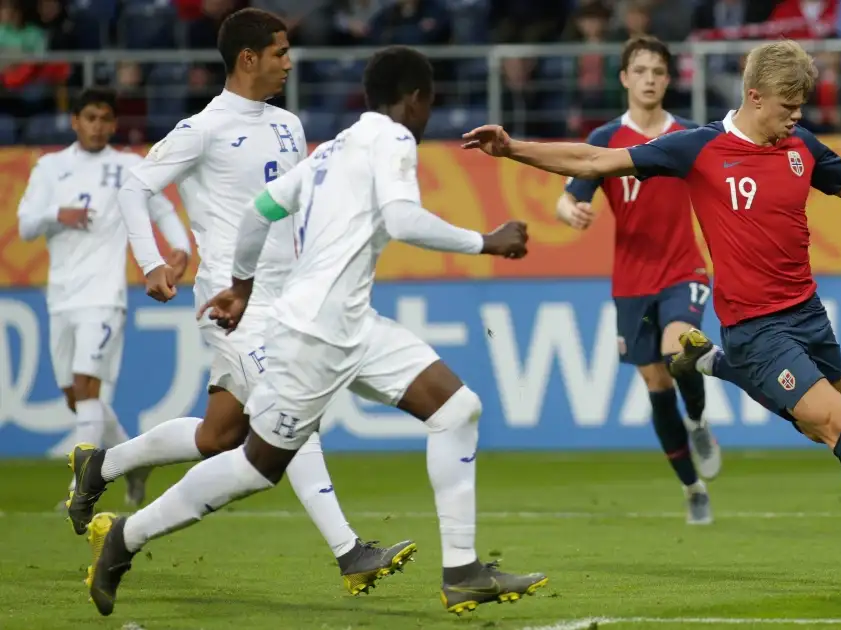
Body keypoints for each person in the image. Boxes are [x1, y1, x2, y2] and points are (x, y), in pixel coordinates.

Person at [463, 39, 841, 591]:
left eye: (801, 106)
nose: (797, 115)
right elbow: (595, 160)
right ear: (755, 97)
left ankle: (714, 364)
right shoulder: (697, 148)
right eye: (788, 106)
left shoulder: (801, 147)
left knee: (822, 433)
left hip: (809, 316)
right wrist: (512, 148)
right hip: (757, 328)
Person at [85, 45, 549, 618]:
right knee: (257, 466)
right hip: (314, 336)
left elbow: (261, 210)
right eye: (430, 101)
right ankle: (124, 537)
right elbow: (401, 219)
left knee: (457, 410)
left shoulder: (337, 145)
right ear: (416, 98)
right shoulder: (394, 139)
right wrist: (487, 240)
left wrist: (243, 284)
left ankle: (463, 572)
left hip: (352, 325)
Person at [65, 8, 413, 597]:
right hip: (233, 302)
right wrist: (150, 261)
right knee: (291, 410)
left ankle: (103, 465)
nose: (288, 61)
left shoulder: (289, 124)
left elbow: (292, 209)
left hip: (287, 296)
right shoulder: (204, 127)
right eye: (279, 52)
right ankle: (350, 552)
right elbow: (135, 187)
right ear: (248, 58)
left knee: (218, 436)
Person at [556, 35, 720, 525]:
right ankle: (692, 487)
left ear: (669, 80)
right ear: (625, 78)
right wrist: (571, 212)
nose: (650, 79)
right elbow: (567, 197)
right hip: (631, 281)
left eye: (658, 71)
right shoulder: (605, 140)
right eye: (641, 70)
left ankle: (698, 422)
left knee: (680, 352)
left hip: (683, 269)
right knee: (656, 383)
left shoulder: (690, 135)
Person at [18, 87, 190, 509]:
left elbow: (162, 208)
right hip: (61, 296)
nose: (98, 126)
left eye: (105, 119)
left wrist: (180, 246)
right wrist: (59, 214)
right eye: (89, 117)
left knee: (88, 390)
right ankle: (134, 460)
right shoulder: (50, 167)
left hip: (104, 294)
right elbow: (24, 226)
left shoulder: (129, 166)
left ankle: (81, 491)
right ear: (74, 121)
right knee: (75, 397)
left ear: (114, 124)